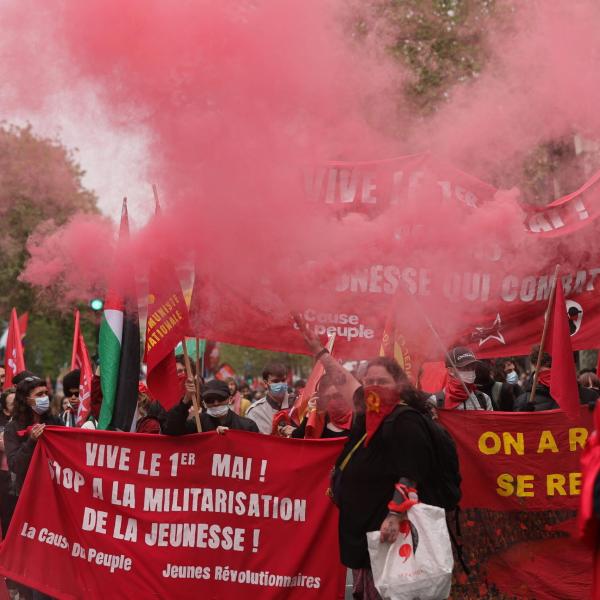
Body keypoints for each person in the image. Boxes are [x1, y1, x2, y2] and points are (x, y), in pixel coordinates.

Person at [5, 376, 62, 496]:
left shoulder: (55, 421)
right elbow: (15, 465)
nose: (45, 398)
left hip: (55, 488)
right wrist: (31, 441)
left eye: (46, 393)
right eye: (39, 394)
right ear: (26, 400)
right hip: (28, 492)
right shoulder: (13, 428)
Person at [163, 379, 258, 435]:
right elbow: (171, 430)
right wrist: (185, 400)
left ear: (229, 399)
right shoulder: (197, 423)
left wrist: (231, 437)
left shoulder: (247, 426)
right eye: (210, 399)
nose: (216, 403)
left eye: (220, 398)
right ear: (204, 403)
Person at [291, 374, 352, 439]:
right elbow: (298, 436)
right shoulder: (321, 418)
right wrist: (309, 413)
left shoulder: (358, 420)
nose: (332, 401)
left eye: (337, 396)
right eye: (328, 398)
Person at [435, 346, 493, 410]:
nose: (470, 371)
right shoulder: (436, 401)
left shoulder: (483, 399)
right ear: (451, 371)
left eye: (473, 367)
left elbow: (492, 420)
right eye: (465, 367)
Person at [245, 363, 293, 435]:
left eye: (283, 380)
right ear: (265, 383)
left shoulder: (297, 404)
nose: (281, 384)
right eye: (276, 381)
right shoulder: (255, 412)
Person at [515, 345, 558, 411]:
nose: (547, 371)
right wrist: (524, 413)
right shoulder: (524, 400)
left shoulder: (569, 392)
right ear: (535, 365)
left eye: (550, 366)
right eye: (542, 366)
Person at [0, 387, 15, 535]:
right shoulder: (4, 427)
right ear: (5, 410)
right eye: (12, 403)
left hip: (25, 476)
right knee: (8, 517)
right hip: (5, 477)